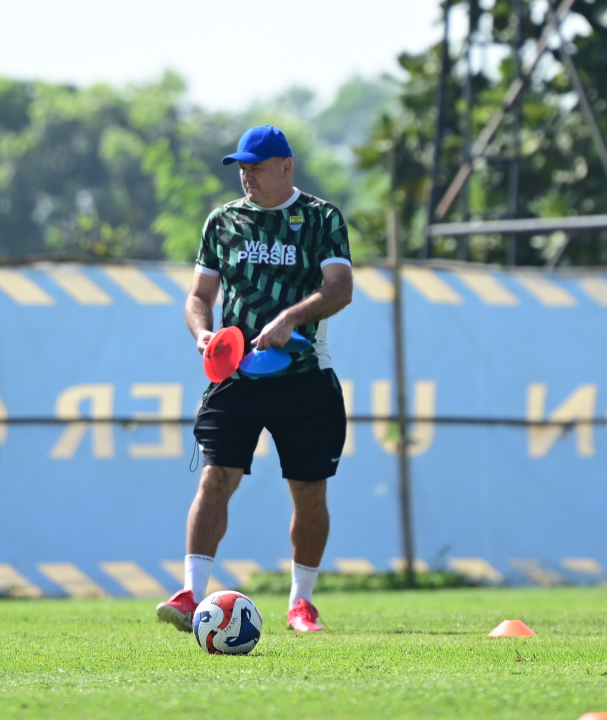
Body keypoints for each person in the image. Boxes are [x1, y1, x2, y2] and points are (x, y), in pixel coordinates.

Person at [156, 125, 353, 633]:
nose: (246, 176)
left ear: (286, 167)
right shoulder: (223, 221)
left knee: (309, 492)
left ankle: (300, 603)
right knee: (215, 478)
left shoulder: (320, 218)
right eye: (241, 167)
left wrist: (289, 318)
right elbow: (198, 297)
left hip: (306, 378)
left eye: (256, 167)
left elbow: (341, 288)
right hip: (236, 377)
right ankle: (189, 595)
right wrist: (203, 333)